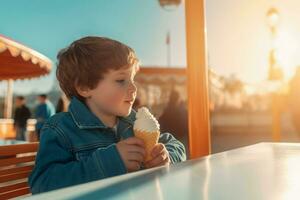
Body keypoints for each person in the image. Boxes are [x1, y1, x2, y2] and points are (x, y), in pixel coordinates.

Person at [29, 36, 186, 194]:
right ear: (84, 87)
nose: (134, 88)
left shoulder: (133, 122)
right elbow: (42, 184)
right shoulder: (61, 129)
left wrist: (167, 156)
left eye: (132, 79)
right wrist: (110, 161)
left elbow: (177, 145)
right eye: (120, 80)